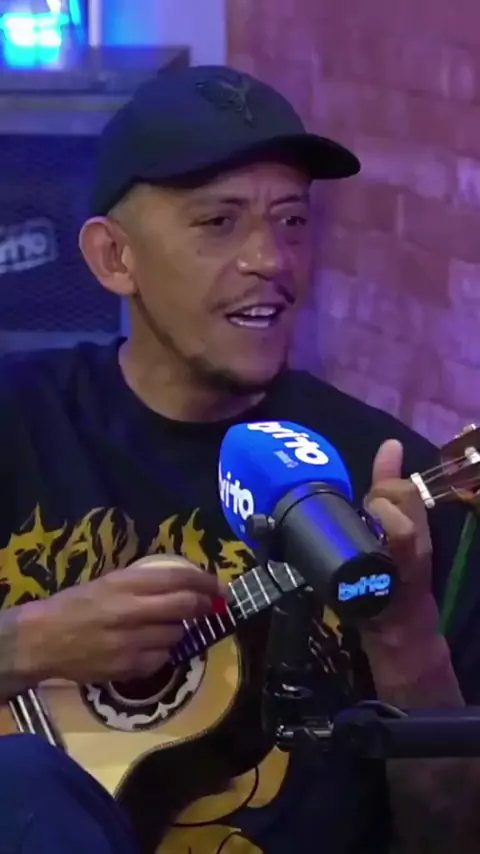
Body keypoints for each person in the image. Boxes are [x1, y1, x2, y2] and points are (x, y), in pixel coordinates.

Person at [0, 64, 479, 854]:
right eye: (219, 222)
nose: (270, 259)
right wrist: (23, 645)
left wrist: (405, 638)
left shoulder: (392, 484)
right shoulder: (20, 422)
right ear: (114, 257)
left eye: (292, 221)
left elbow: (451, 838)